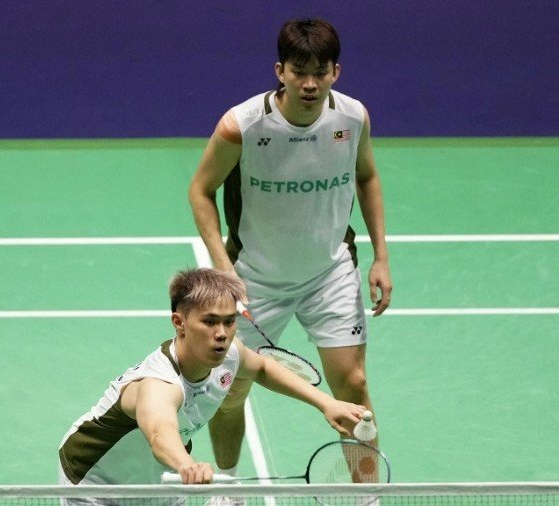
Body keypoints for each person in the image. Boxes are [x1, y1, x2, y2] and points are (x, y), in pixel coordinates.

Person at [188, 17, 393, 485]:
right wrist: (223, 269)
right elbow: (200, 190)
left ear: (336, 72)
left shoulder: (352, 117)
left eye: (320, 72)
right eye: (299, 72)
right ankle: (228, 486)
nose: (310, 83)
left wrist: (381, 256)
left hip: (329, 272)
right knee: (230, 391)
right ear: (280, 71)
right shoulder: (242, 126)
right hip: (254, 280)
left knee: (354, 385)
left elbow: (367, 177)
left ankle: (368, 495)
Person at [57, 268, 366, 494]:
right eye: (209, 322)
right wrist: (185, 465)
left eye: (229, 322)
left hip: (157, 482)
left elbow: (262, 368)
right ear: (179, 322)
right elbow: (160, 433)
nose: (222, 333)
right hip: (96, 482)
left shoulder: (229, 354)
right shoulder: (158, 385)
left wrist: (326, 403)